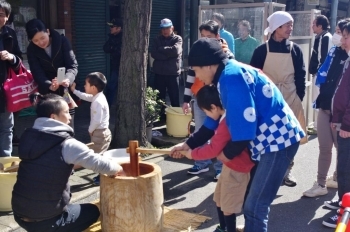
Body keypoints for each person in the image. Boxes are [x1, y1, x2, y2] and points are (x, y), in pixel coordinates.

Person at [171, 37, 305, 232]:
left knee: (255, 206)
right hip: (269, 142)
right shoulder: (226, 74)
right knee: (253, 204)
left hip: (278, 141)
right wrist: (189, 144)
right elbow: (213, 121)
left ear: (209, 65)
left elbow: (243, 132)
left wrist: (226, 155)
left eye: (197, 70)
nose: (197, 76)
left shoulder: (231, 78)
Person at [12, 93, 125, 232]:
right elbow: (99, 164)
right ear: (53, 117)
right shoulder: (67, 144)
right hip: (46, 221)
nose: (70, 116)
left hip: (19, 214)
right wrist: (120, 169)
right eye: (66, 112)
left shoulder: (27, 137)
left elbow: (51, 162)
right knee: (93, 211)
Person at [174, 85, 254, 232]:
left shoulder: (225, 123)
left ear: (213, 107)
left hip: (238, 168)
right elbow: (209, 139)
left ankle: (229, 230)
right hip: (228, 165)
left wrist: (192, 154)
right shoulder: (223, 117)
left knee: (228, 206)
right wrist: (187, 146)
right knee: (219, 199)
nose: (206, 115)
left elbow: (213, 149)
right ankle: (223, 227)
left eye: (205, 112)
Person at [250, 11, 307, 187]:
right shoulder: (261, 50)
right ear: (277, 28)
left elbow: (301, 75)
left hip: (290, 98)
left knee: (291, 138)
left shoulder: (295, 49)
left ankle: (287, 171)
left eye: (291, 25)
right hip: (268, 101)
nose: (291, 28)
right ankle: (265, 172)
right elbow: (254, 77)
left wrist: (299, 97)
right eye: (287, 25)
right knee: (268, 136)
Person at [303, 18, 350, 198]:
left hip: (342, 115)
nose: (338, 37)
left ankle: (340, 184)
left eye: (342, 33)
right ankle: (321, 183)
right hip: (325, 107)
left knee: (343, 151)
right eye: (339, 32)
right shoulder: (335, 52)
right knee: (324, 147)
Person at [183, 20, 234, 179]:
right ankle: (203, 163)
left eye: (209, 36)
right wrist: (189, 145)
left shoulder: (229, 69)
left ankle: (221, 168)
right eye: (202, 36)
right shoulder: (200, 54)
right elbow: (190, 78)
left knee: (219, 134)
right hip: (201, 99)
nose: (197, 76)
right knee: (202, 130)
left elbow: (235, 133)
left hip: (271, 141)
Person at [322, 21, 350, 229]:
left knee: (346, 168)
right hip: (342, 121)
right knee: (344, 166)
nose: (342, 39)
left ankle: (345, 212)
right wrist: (336, 117)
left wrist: (346, 124)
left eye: (346, 36)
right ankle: (343, 203)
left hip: (348, 125)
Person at [25, 18, 78, 129]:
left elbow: (72, 65)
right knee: (49, 125)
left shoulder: (62, 41)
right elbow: (36, 72)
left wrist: (68, 79)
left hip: (66, 89)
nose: (40, 42)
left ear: (48, 32)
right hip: (48, 93)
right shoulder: (31, 50)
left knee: (68, 123)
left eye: (42, 38)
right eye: (35, 40)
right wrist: (49, 84)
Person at [71, 72, 111, 185]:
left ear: (93, 88)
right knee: (100, 154)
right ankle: (102, 173)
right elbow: (86, 96)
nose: (84, 86)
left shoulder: (97, 102)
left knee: (98, 156)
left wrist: (90, 130)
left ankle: (102, 176)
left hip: (99, 133)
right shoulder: (98, 96)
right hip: (102, 132)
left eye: (86, 84)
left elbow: (96, 120)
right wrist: (74, 91)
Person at [0, 1, 22, 157]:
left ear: (7, 17)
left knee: (7, 127)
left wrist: (11, 57)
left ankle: (4, 161)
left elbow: (18, 60)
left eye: (1, 15)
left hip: (5, 88)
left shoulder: (10, 34)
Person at [151, 18, 182, 119]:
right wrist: (168, 55)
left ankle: (176, 117)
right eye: (163, 28)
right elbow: (154, 54)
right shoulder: (157, 39)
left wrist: (162, 49)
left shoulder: (177, 39)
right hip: (159, 73)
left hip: (173, 74)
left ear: (172, 28)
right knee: (159, 98)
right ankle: (160, 118)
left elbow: (175, 51)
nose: (165, 31)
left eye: (167, 28)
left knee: (174, 98)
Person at [308, 15, 333, 135]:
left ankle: (319, 128)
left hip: (321, 76)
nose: (312, 26)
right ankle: (318, 125)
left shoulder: (325, 38)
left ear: (320, 26)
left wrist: (319, 72)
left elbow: (324, 58)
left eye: (314, 24)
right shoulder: (321, 37)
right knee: (317, 100)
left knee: (318, 99)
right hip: (319, 74)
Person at [103, 18, 122, 106]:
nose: (110, 28)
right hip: (115, 66)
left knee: (113, 87)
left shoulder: (124, 37)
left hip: (122, 67)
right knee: (111, 87)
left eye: (112, 26)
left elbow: (119, 52)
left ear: (119, 28)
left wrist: (113, 48)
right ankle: (108, 106)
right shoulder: (112, 37)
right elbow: (105, 48)